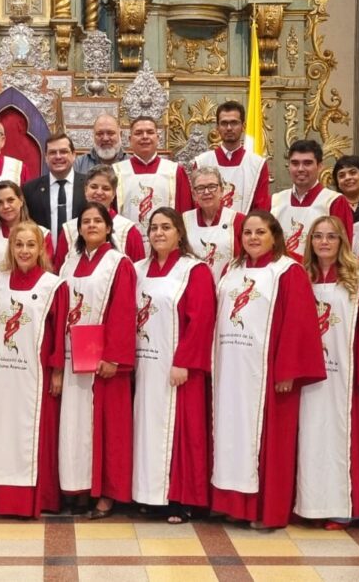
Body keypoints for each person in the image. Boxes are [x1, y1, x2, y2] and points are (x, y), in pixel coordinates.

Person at [210, 210, 325, 530]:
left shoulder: (287, 271)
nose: (253, 238)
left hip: (267, 375)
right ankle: (234, 504)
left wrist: (286, 370)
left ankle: (265, 510)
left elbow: (299, 323)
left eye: (260, 232)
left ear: (275, 236)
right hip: (230, 368)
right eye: (247, 232)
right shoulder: (231, 270)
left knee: (268, 442)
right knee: (231, 436)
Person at [293, 216, 359, 529]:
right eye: (318, 236)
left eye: (331, 237)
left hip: (345, 375)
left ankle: (346, 507)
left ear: (342, 242)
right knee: (310, 439)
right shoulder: (300, 277)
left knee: (342, 439)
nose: (324, 242)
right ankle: (310, 505)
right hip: (310, 376)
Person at [132, 208, 215, 524]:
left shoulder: (194, 271)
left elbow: (201, 319)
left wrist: (184, 362)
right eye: (153, 228)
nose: (159, 233)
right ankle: (151, 495)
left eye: (166, 227)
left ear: (180, 232)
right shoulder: (138, 269)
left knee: (180, 431)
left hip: (177, 369)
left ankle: (180, 499)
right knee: (146, 428)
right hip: (145, 364)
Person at [58, 203, 138, 519]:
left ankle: (105, 493)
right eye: (85, 221)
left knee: (105, 427)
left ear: (108, 228)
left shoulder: (119, 264)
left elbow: (123, 311)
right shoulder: (68, 263)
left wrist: (114, 357)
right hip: (71, 357)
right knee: (74, 425)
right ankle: (77, 488)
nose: (91, 225)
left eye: (97, 221)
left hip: (103, 364)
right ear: (78, 229)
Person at [0, 222, 69, 517]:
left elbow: (59, 331)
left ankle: (39, 498)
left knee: (33, 434)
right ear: (10, 248)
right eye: (18, 244)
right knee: (3, 433)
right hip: (5, 374)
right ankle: (3, 498)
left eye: (30, 245)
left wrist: (57, 370)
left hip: (37, 377)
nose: (24, 250)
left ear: (41, 248)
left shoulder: (53, 285)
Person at [271, 139, 355, 259]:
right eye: (295, 163)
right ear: (288, 166)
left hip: (318, 275)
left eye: (307, 163)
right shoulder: (276, 201)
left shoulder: (333, 201)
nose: (300, 169)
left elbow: (344, 250)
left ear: (320, 166)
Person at [54, 165, 146, 270]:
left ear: (114, 194)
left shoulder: (128, 230)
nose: (99, 192)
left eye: (106, 188)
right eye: (93, 187)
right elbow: (59, 272)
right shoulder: (69, 230)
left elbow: (138, 272)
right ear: (85, 190)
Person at [113, 117, 194, 234]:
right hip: (127, 243)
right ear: (130, 139)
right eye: (138, 133)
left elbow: (185, 212)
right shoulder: (117, 172)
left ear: (158, 138)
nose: (145, 137)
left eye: (150, 132)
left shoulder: (175, 171)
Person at [190, 101, 271, 213]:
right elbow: (196, 204)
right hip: (209, 229)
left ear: (243, 126)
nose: (229, 128)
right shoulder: (202, 162)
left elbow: (262, 207)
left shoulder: (257, 164)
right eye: (224, 123)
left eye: (234, 123)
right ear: (217, 127)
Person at [0, 181, 53, 269]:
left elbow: (46, 273)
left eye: (10, 200)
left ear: (21, 200)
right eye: (0, 202)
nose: (6, 206)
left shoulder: (42, 234)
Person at [182, 166, 245, 276]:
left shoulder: (239, 220)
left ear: (222, 190)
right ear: (194, 194)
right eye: (200, 188)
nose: (206, 192)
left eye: (212, 186)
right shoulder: (183, 221)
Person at [22, 132, 86, 236]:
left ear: (74, 155)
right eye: (52, 153)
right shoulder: (30, 190)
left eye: (63, 151)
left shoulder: (89, 186)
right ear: (46, 157)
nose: (58, 156)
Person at [333, 155, 359, 222]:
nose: (347, 178)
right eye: (342, 175)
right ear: (338, 183)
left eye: (353, 172)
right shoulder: (332, 205)